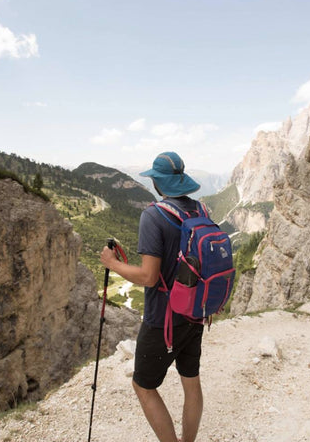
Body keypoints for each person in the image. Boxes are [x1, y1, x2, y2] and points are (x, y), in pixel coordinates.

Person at [100, 151, 204, 442]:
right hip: (196, 312)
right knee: (191, 383)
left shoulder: (153, 215)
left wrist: (112, 264)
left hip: (164, 319)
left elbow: (148, 276)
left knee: (143, 385)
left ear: (158, 183)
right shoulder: (200, 210)